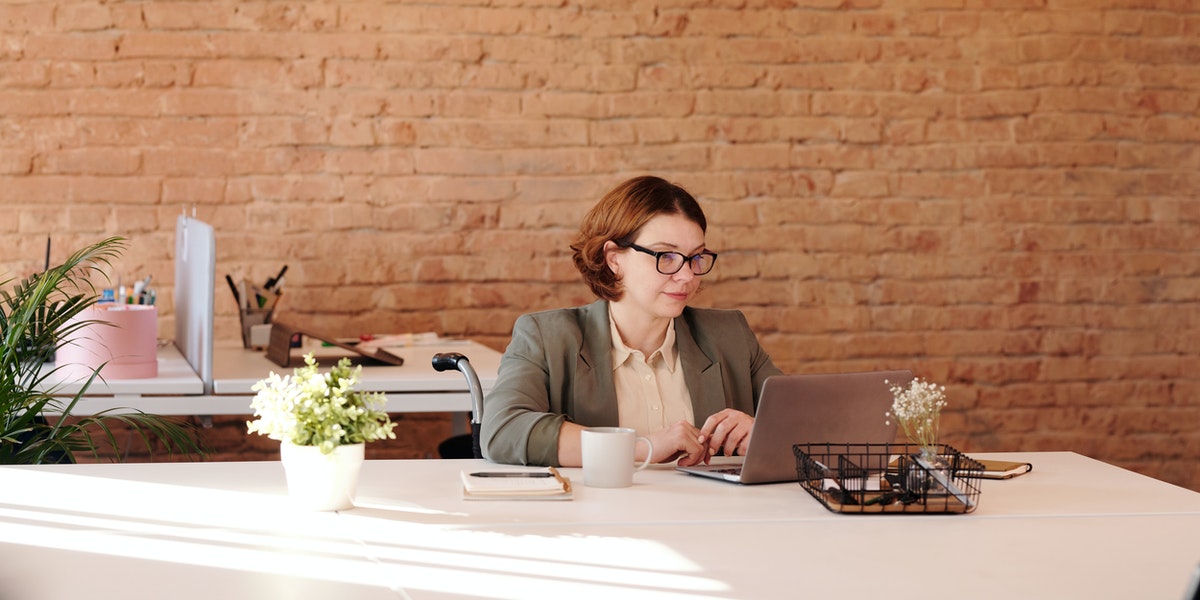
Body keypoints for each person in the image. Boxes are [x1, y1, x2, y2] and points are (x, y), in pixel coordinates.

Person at [481, 175, 782, 467]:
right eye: (666, 256)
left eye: (696, 257)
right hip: (594, 516)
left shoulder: (729, 335)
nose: (687, 275)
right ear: (614, 258)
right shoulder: (548, 337)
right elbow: (502, 430)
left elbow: (809, 421)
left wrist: (764, 431)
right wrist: (642, 448)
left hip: (713, 517)